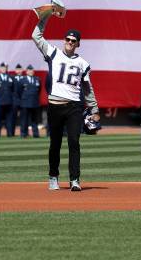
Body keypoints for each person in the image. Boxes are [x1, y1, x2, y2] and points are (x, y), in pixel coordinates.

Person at [32, 13, 100, 192]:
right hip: (55, 105)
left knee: (73, 141)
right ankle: (53, 176)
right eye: (68, 39)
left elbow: (87, 88)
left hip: (74, 107)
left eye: (73, 40)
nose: (70, 42)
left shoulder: (83, 63)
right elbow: (36, 36)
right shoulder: (53, 53)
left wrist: (94, 108)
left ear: (78, 44)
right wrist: (46, 16)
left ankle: (75, 179)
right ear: (64, 40)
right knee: (55, 143)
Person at [18, 65, 41, 138]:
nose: (31, 71)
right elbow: (19, 91)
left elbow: (39, 90)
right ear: (26, 71)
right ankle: (24, 134)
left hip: (34, 102)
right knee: (24, 120)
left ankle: (36, 134)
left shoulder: (37, 79)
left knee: (34, 120)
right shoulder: (22, 80)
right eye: (29, 70)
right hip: (25, 103)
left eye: (32, 70)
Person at [11, 64, 24, 137]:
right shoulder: (12, 78)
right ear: (15, 70)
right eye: (17, 69)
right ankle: (11, 132)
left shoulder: (25, 78)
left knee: (23, 118)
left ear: (22, 70)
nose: (19, 71)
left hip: (23, 101)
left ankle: (23, 133)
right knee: (13, 118)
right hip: (14, 101)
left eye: (20, 69)